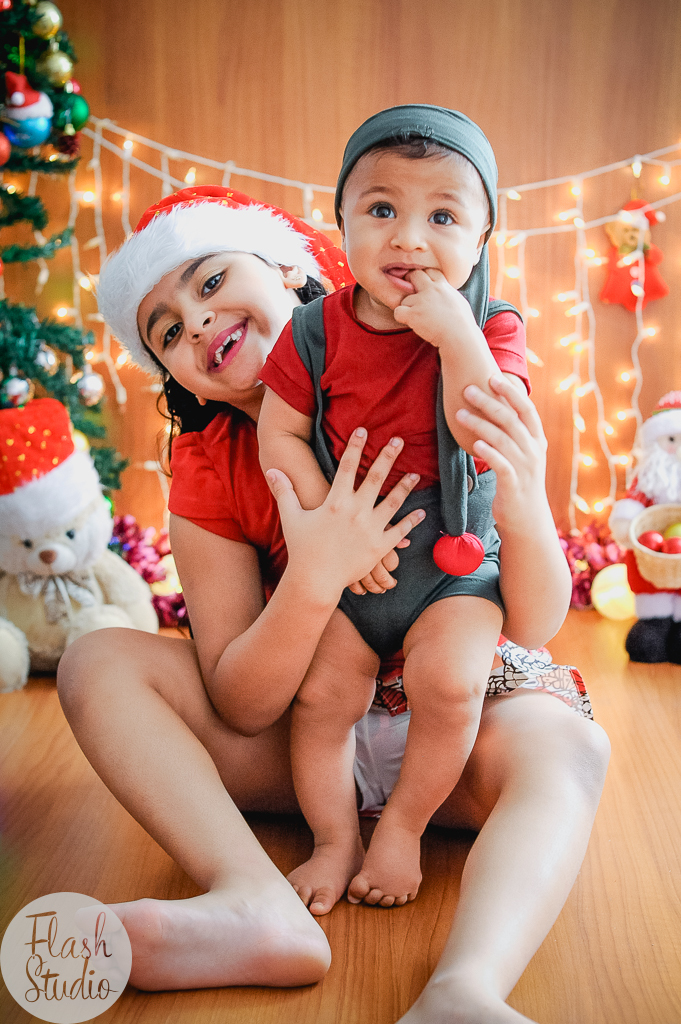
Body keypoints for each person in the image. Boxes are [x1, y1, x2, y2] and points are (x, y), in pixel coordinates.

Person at [57, 184, 609, 1024]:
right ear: (168, 370)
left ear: (291, 270)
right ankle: (251, 901)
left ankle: (463, 989)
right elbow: (241, 703)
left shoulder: (441, 368)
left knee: (568, 748)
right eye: (166, 329)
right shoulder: (208, 467)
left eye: (209, 283)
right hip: (304, 737)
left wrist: (524, 494)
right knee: (97, 658)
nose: (196, 322)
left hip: (453, 724)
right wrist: (317, 572)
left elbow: (534, 621)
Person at [257, 105, 572, 911]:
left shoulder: (492, 325)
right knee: (323, 698)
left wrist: (455, 336)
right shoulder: (312, 330)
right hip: (350, 551)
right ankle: (335, 839)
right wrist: (333, 531)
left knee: (451, 682)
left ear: (480, 238)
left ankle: (400, 828)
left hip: (453, 562)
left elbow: (484, 427)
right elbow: (281, 437)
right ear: (341, 221)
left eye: (442, 215)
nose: (408, 238)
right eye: (381, 209)